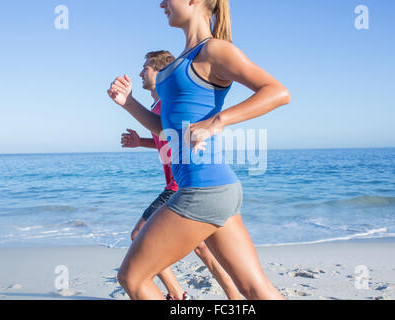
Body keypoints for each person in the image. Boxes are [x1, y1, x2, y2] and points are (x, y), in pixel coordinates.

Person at [107, 0, 291, 300]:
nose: (162, 3)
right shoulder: (179, 62)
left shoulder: (214, 50)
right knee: (254, 289)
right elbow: (167, 132)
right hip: (216, 188)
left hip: (203, 189)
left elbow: (277, 92)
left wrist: (217, 121)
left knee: (133, 278)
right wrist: (128, 102)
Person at [114, 50, 242, 300]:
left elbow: (183, 131)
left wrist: (203, 135)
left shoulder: (167, 102)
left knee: (138, 234)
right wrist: (141, 142)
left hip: (179, 186)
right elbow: (168, 137)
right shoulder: (158, 105)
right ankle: (233, 297)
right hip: (188, 185)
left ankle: (176, 293)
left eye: (146, 67)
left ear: (161, 71)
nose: (141, 72)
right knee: (204, 250)